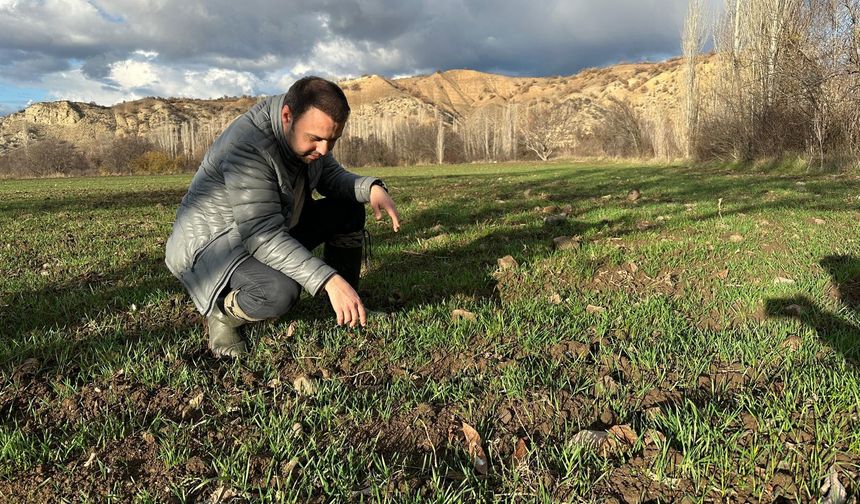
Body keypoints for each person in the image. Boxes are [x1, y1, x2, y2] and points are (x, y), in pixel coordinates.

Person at [164, 76, 401, 358]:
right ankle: (223, 314)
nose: (324, 150)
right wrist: (328, 279)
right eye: (315, 139)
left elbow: (329, 175)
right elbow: (262, 236)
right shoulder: (248, 146)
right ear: (287, 116)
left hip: (273, 225)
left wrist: (370, 188)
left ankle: (347, 306)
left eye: (332, 140)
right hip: (217, 247)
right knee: (279, 291)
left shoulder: (305, 129)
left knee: (348, 208)